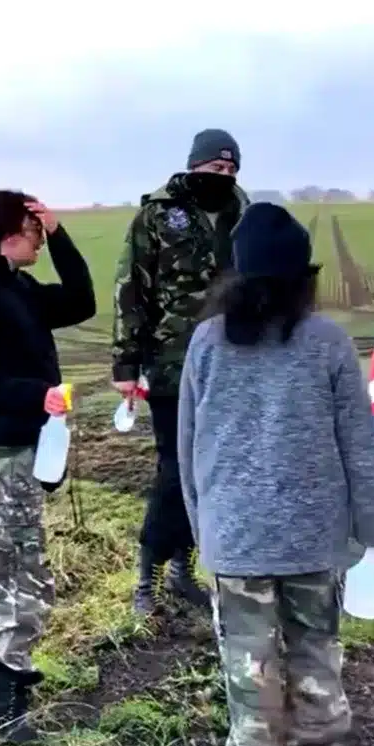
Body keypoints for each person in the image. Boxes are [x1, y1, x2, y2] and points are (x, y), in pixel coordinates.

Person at [176, 202, 374, 746]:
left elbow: (186, 446)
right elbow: (360, 445)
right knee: (316, 656)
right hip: (314, 540)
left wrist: (207, 531)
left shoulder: (205, 344)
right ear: (302, 278)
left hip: (236, 540)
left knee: (250, 677)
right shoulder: (328, 342)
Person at [0, 191, 96, 744]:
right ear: (6, 232)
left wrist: (59, 234)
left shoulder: (15, 287)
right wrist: (37, 396)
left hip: (21, 450)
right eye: (31, 230)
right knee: (23, 579)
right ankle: (5, 715)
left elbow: (82, 300)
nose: (36, 238)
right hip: (2, 454)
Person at [110, 127, 251, 616]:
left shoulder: (242, 211)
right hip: (172, 363)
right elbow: (131, 288)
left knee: (210, 471)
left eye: (231, 169)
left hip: (231, 363)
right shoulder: (157, 214)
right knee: (176, 467)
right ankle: (147, 577)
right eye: (216, 167)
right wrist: (126, 361)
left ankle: (183, 569)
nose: (225, 176)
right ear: (195, 166)